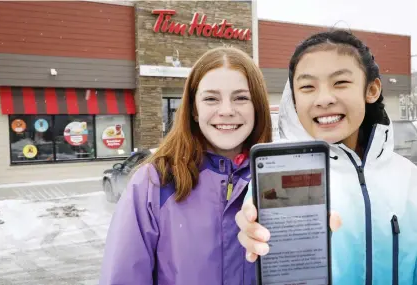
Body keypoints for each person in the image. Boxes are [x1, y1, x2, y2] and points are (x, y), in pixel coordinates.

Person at [235, 30, 417, 285]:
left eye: (340, 82)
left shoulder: (409, 178)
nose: (324, 99)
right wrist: (254, 233)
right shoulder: (275, 175)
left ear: (372, 89)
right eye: (307, 87)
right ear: (295, 101)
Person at [99, 47, 272, 285]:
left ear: (258, 106)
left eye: (241, 98)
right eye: (211, 98)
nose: (226, 111)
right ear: (194, 109)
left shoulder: (277, 178)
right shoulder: (154, 183)